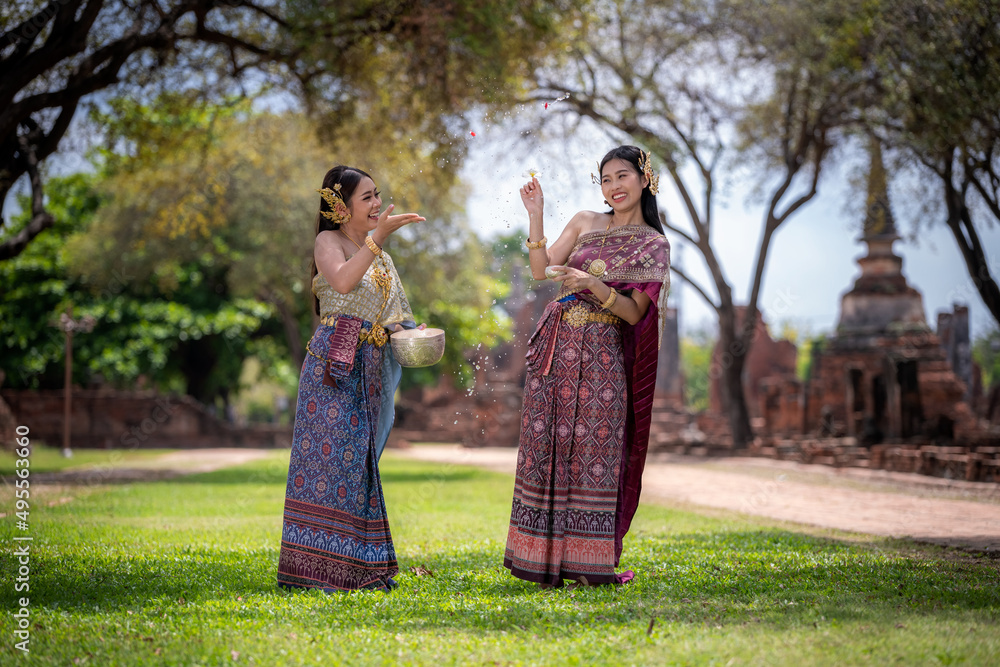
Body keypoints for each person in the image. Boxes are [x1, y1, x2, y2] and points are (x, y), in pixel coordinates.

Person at [504, 145, 671, 587]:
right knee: (548, 448)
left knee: (595, 453)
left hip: (603, 356)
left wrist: (596, 286)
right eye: (606, 179)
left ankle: (587, 562)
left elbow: (635, 314)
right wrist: (536, 214)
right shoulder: (584, 222)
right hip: (557, 346)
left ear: (644, 178)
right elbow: (542, 271)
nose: (614, 186)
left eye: (623, 176)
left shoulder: (654, 244)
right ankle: (537, 559)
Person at [277, 165, 424, 593]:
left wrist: (414, 334)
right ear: (340, 207)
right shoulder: (329, 241)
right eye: (368, 198)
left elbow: (396, 317)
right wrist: (379, 239)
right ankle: (314, 572)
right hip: (333, 366)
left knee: (361, 466)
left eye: (378, 195)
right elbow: (341, 281)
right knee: (329, 462)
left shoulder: (382, 256)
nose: (378, 204)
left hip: (374, 367)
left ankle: (357, 569)